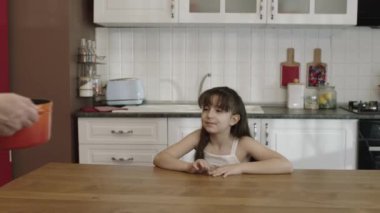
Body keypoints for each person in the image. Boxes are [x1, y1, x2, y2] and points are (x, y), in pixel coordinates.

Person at [154, 87, 293, 177]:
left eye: (218, 111)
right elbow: (160, 158)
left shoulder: (244, 143)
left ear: (233, 119)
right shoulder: (198, 137)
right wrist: (189, 167)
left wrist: (240, 167)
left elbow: (285, 164)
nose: (209, 115)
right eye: (206, 109)